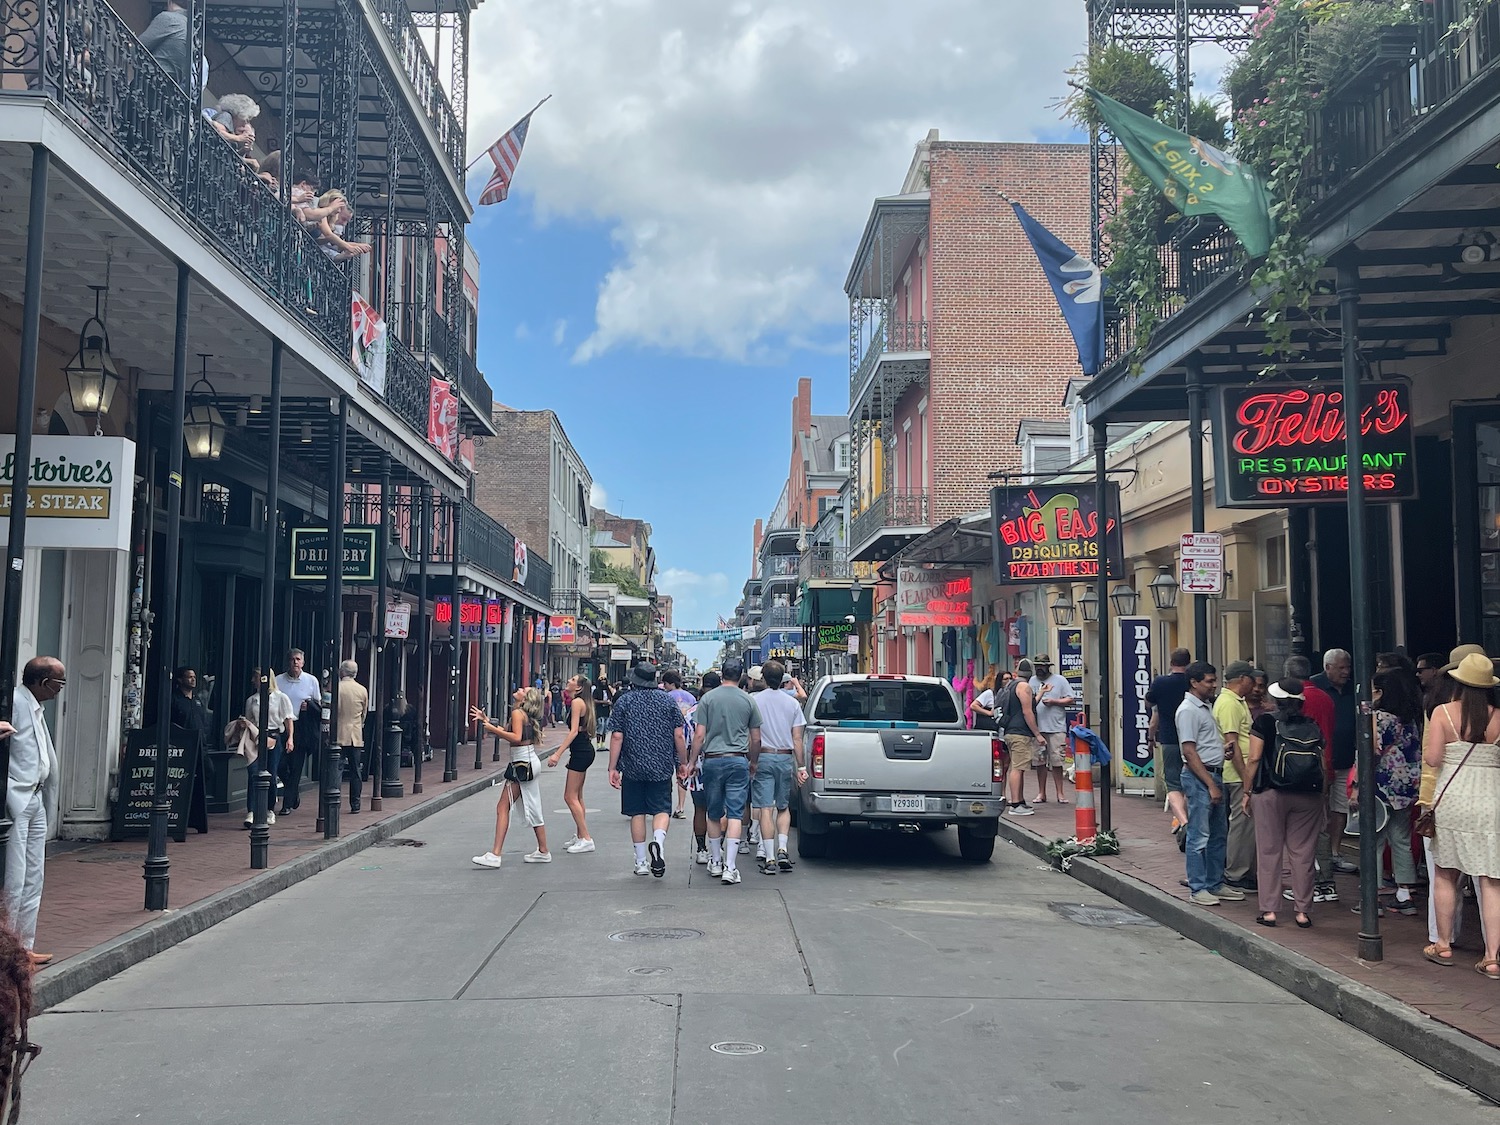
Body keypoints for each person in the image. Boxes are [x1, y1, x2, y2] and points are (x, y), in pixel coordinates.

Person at [1423, 652, 1500, 976]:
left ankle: (1442, 943)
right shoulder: (1498, 716)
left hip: (1453, 800)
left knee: (1445, 874)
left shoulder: (1443, 713)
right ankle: (1492, 956)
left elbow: (1433, 758)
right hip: (1490, 800)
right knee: (1491, 880)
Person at [1245, 679, 1326, 928]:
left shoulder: (1265, 722)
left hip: (1270, 792)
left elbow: (1255, 757)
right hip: (1308, 795)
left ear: (1276, 700)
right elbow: (1322, 762)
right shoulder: (1312, 725)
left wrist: (1246, 791)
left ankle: (1269, 910)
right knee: (1303, 853)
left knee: (1269, 852)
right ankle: (1303, 912)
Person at [607, 664, 689, 878]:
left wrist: (612, 767)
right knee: (662, 809)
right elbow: (678, 735)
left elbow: (617, 736)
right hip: (661, 765)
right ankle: (659, 843)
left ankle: (641, 861)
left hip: (632, 765)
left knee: (637, 812)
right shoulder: (667, 701)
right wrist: (683, 762)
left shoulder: (624, 701)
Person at [6, 658, 61, 965]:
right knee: (15, 877)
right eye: (59, 683)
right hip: (17, 796)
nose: (60, 690)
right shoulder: (14, 701)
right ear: (42, 682)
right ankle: (10, 948)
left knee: (34, 875)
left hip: (35, 796)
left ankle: (24, 945)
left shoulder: (36, 707)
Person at [687, 658, 761, 883]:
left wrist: (691, 762)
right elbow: (756, 738)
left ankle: (716, 861)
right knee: (735, 813)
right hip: (738, 760)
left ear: (722, 676)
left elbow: (699, 735)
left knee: (713, 812)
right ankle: (730, 866)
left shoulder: (708, 699)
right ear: (741, 677)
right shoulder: (748, 700)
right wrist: (753, 762)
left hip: (712, 760)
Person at [1177, 661, 1243, 906]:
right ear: (1194, 682)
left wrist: (1220, 752)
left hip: (1212, 772)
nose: (1213, 685)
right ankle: (1198, 887)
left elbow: (1200, 746)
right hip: (1201, 777)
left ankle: (1214, 883)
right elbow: (1189, 751)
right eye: (1209, 681)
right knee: (1200, 834)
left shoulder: (1204, 707)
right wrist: (1210, 784)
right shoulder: (1188, 710)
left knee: (1218, 833)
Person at [1363, 666, 1424, 917]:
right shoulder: (1411, 718)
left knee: (1375, 839)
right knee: (1401, 838)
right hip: (1408, 785)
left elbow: (1374, 749)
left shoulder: (1379, 717)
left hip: (1382, 783)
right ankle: (1404, 893)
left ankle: (1373, 896)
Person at [470, 689, 550, 868]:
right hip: (528, 761)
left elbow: (515, 737)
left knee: (502, 807)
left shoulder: (517, 712)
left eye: (523, 690)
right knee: (533, 806)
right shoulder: (524, 714)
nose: (519, 689)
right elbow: (515, 735)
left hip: (522, 763)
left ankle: (495, 854)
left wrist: (490, 729)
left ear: (525, 698)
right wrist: (487, 721)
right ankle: (543, 850)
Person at [750, 660, 807, 875]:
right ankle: (783, 848)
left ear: (763, 678)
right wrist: (801, 766)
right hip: (784, 758)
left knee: (765, 808)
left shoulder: (754, 701)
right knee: (783, 807)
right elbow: (798, 739)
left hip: (763, 757)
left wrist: (751, 761)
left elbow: (751, 736)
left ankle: (770, 857)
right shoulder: (792, 703)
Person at [1311, 648, 1358, 876]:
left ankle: (1335, 852)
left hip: (1347, 758)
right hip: (1320, 761)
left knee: (1340, 808)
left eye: (1348, 667)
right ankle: (1318, 855)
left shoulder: (1353, 689)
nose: (1346, 672)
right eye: (1341, 668)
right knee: (1319, 808)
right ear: (1327, 667)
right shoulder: (1314, 687)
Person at [1215, 661, 1257, 891]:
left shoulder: (1236, 702)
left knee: (1245, 823)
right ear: (1243, 678)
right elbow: (1232, 744)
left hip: (1241, 772)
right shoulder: (1229, 703)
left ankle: (1243, 869)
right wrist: (1246, 777)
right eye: (1251, 678)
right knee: (1241, 823)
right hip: (1237, 773)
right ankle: (1236, 872)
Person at [547, 674, 597, 854]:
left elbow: (573, 731)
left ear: (578, 687)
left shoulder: (577, 703)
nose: (568, 681)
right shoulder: (583, 703)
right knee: (578, 796)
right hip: (582, 750)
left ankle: (586, 837)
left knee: (569, 796)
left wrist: (557, 754)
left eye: (572, 680)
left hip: (581, 751)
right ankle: (580, 835)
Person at [240, 667, 292, 826]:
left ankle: (269, 809)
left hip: (274, 737)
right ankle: (251, 811)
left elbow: (288, 719)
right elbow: (249, 720)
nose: (252, 681)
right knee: (253, 772)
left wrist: (290, 738)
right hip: (255, 739)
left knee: (271, 773)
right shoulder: (252, 700)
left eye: (255, 677)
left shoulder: (281, 698)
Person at [1147, 648, 1192, 829]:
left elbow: (1150, 702)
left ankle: (1181, 820)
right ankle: (1190, 815)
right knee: (1193, 779)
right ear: (1188, 663)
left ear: (1171, 662)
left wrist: (1151, 739)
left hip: (1169, 737)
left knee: (1173, 782)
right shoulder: (1193, 682)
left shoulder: (1161, 683)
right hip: (1193, 738)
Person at [276, 649, 321, 816]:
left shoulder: (311, 681)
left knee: (296, 767)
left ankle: (287, 804)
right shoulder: (278, 680)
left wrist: (309, 707)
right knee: (280, 765)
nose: (295, 662)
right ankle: (292, 792)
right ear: (288, 662)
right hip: (282, 727)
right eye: (292, 659)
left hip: (302, 728)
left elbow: (319, 706)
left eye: (298, 659)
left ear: (303, 662)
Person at [1028, 655, 1074, 803]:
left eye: (1042, 666)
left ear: (1048, 666)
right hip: (1038, 728)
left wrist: (1055, 701)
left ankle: (1060, 793)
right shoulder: (1032, 681)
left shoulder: (1060, 680)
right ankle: (1041, 793)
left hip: (1056, 727)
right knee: (1040, 761)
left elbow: (1071, 699)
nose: (1039, 669)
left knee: (1057, 761)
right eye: (1037, 666)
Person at [1000, 659, 1042, 814]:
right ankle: (1016, 804)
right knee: (1017, 768)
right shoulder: (1024, 687)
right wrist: (1037, 733)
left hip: (1010, 731)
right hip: (1019, 733)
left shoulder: (1010, 685)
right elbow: (1027, 711)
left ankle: (1020, 800)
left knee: (1018, 767)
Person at [687, 671, 719, 863]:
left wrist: (686, 763)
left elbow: (685, 740)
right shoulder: (723, 708)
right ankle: (718, 849)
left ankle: (701, 849)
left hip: (697, 766)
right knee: (720, 808)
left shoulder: (691, 712)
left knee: (700, 808)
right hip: (720, 761)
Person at [662, 669, 696, 819]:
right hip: (687, 739)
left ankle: (664, 805)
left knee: (665, 772)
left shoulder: (666, 697)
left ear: (670, 683)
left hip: (669, 738)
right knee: (682, 772)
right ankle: (681, 806)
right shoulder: (691, 697)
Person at [335, 661, 368, 813]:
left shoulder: (336, 688)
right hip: (355, 734)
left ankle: (334, 801)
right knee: (356, 771)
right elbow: (363, 714)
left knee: (337, 769)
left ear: (342, 672)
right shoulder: (362, 690)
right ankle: (355, 804)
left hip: (338, 733)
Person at [139, 0, 190, 90]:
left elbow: (139, 46)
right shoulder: (191, 30)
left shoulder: (168, 18)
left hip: (151, 83)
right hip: (171, 92)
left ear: (169, 2)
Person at [168, 666, 211, 752]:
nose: (193, 680)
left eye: (194, 677)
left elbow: (203, 719)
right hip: (182, 745)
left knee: (208, 765)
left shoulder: (197, 699)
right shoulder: (174, 700)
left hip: (200, 744)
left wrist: (205, 735)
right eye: (190, 677)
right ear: (180, 680)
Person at [209, 93, 259, 157]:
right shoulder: (226, 116)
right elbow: (218, 132)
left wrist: (243, 150)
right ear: (240, 114)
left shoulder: (232, 128)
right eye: (246, 119)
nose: (245, 124)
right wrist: (239, 138)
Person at [593, 678, 613, 748]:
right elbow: (594, 700)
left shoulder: (608, 691)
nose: (603, 682)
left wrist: (610, 703)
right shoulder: (596, 691)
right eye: (602, 681)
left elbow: (611, 698)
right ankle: (598, 744)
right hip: (599, 711)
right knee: (600, 726)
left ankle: (603, 744)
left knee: (605, 728)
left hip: (606, 711)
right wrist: (602, 702)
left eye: (605, 681)